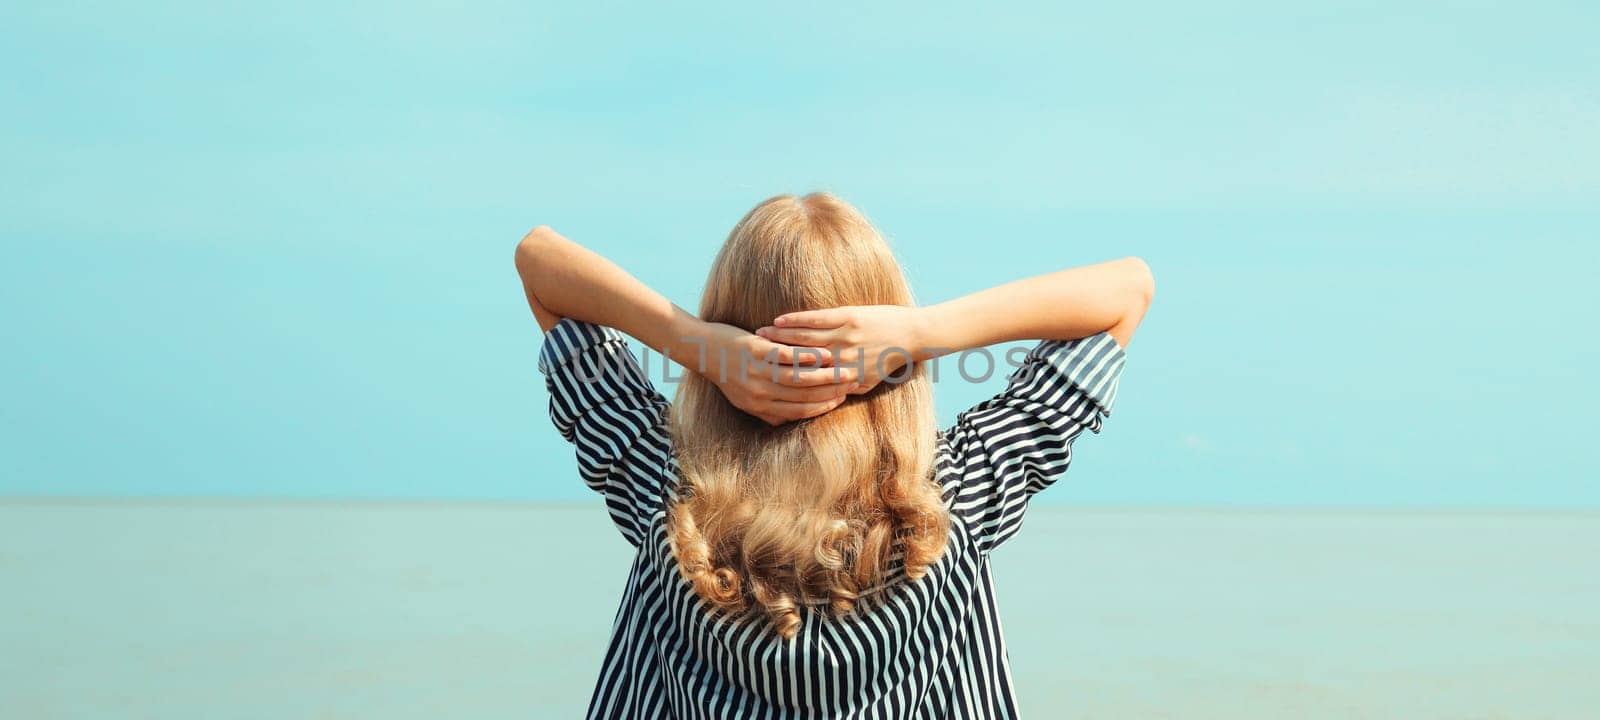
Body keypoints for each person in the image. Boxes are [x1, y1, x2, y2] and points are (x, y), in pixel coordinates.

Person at [514, 192, 1153, 719]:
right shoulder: (958, 500)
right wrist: (921, 333)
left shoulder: (665, 492)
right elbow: (1128, 290)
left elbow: (538, 261)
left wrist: (695, 346)